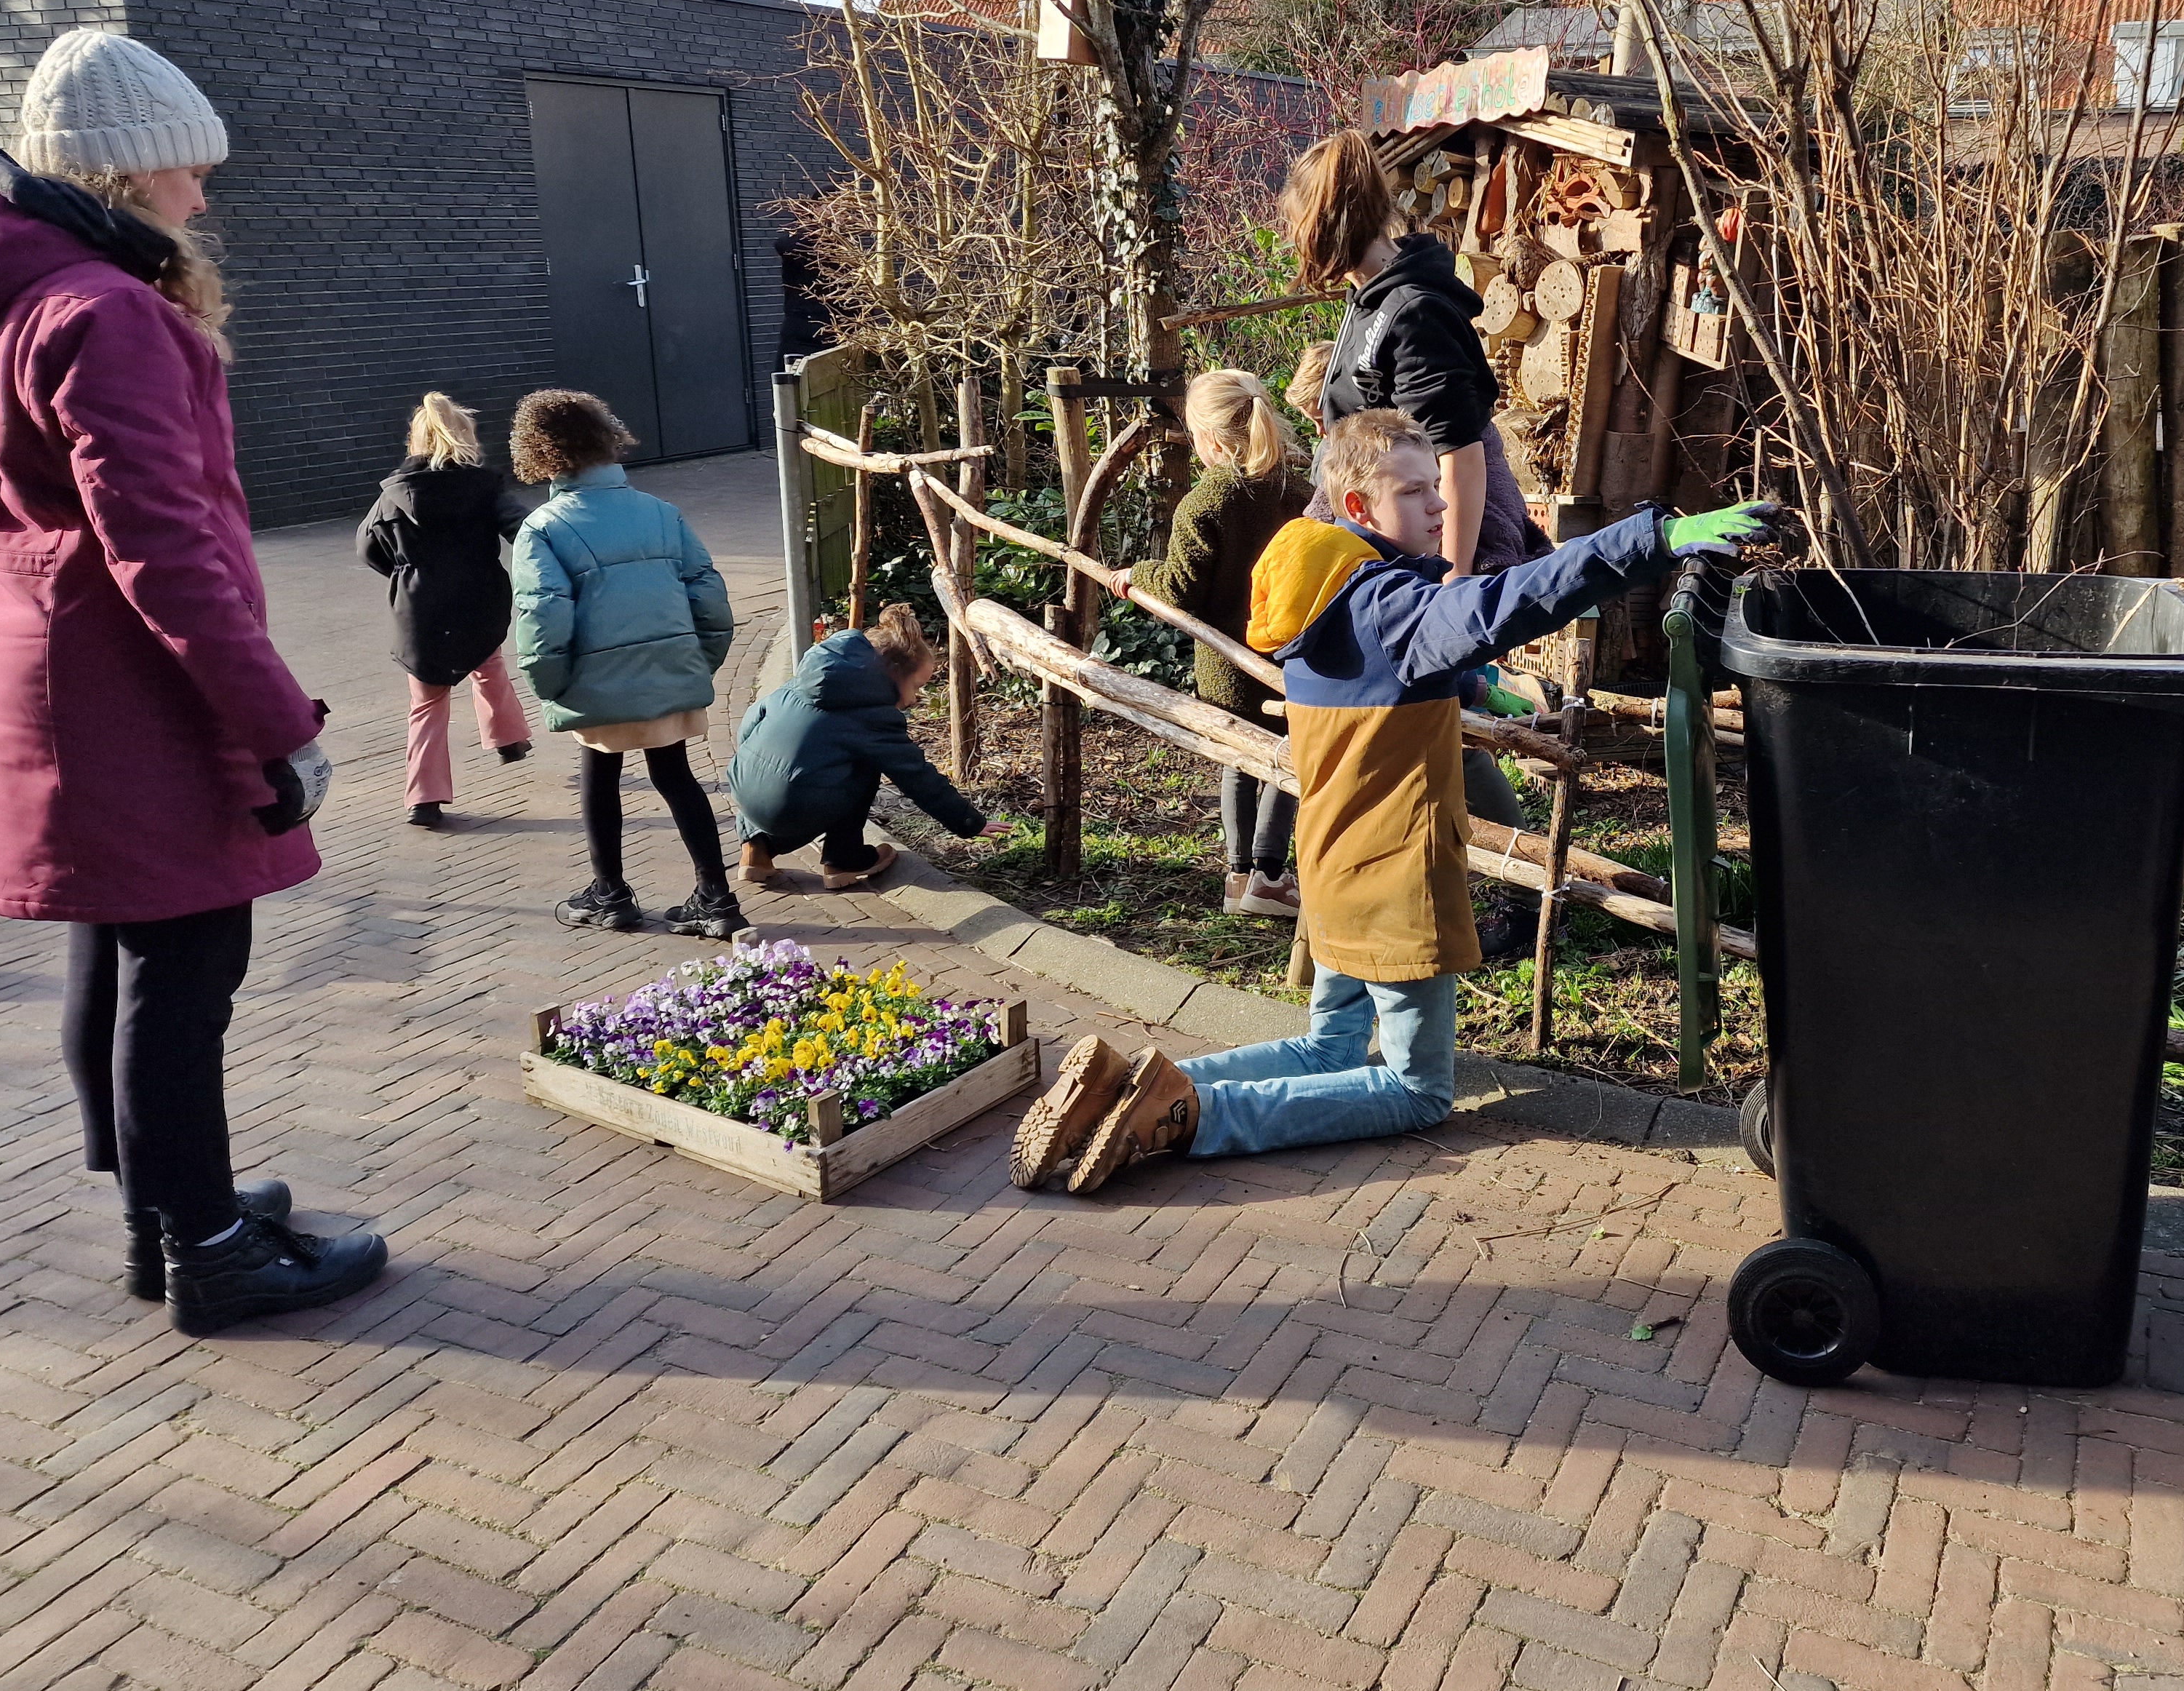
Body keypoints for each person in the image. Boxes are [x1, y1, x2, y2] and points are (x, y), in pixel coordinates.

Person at [1005, 407, 1777, 1193]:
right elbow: (1498, 604)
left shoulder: (1321, 590)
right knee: (1415, 1091)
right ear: (1356, 510)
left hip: (1334, 864)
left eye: (1435, 488)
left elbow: (1396, 668)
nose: (1440, 506)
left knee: (1328, 1048)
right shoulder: (1388, 608)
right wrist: (1647, 542)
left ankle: (1127, 1086)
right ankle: (1189, 1115)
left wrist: (1480, 690)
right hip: (1395, 877)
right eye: (1414, 493)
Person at [0, 27, 384, 1332]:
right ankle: (210, 1250)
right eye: (186, 174)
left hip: (53, 686)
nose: (203, 198)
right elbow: (170, 556)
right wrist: (281, 726)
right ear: (127, 175)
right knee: (189, 969)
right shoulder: (107, 313)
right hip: (136, 701)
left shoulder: (10, 299)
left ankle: (167, 1213)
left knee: (124, 949)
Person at [1279, 134, 1553, 859]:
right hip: (1394, 537)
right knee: (1428, 713)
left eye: (1294, 222)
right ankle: (1467, 862)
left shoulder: (1413, 309)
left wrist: (1454, 587)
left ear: (1322, 218)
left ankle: (1508, 874)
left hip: (1442, 531)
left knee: (1442, 711)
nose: (1290, 239)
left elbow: (1460, 456)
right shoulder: (1368, 304)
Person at [509, 389, 743, 937]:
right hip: (669, 667)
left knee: (599, 773)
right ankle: (717, 896)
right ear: (608, 439)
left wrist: (553, 687)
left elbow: (543, 615)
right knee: (677, 775)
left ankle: (610, 893)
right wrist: (695, 663)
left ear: (539, 451)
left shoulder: (544, 527)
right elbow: (708, 595)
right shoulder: (662, 513)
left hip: (595, 679)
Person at [1109, 369, 1314, 917]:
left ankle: (1245, 875)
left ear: (1210, 441)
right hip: (1288, 651)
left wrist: (1138, 575)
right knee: (1284, 758)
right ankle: (1268, 876)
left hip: (1226, 661)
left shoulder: (1205, 503)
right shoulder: (1301, 493)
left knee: (1238, 760)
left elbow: (1181, 589)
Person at [358, 393, 533, 828]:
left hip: (420, 605)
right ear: (466, 438)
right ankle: (509, 739)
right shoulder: (485, 487)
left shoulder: (393, 496)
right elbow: (523, 531)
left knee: (427, 699)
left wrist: (403, 573)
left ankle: (425, 798)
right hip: (478, 593)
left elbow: (367, 548)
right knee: (487, 661)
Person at [731, 604, 995, 888]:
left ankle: (755, 850)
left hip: (744, 792)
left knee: (777, 763)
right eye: (917, 687)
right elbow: (916, 776)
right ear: (894, 675)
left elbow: (751, 726)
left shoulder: (806, 681)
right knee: (866, 766)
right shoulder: (874, 718)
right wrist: (969, 822)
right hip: (793, 808)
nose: (916, 698)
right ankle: (843, 860)